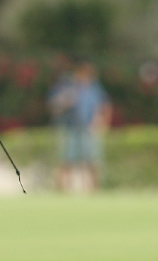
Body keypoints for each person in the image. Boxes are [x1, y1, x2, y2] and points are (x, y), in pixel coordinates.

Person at [48, 60, 112, 192]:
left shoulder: (94, 88)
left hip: (89, 128)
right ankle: (62, 189)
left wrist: (102, 123)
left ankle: (94, 190)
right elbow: (54, 105)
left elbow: (104, 106)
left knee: (92, 160)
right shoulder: (66, 86)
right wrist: (65, 101)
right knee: (66, 159)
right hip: (70, 127)